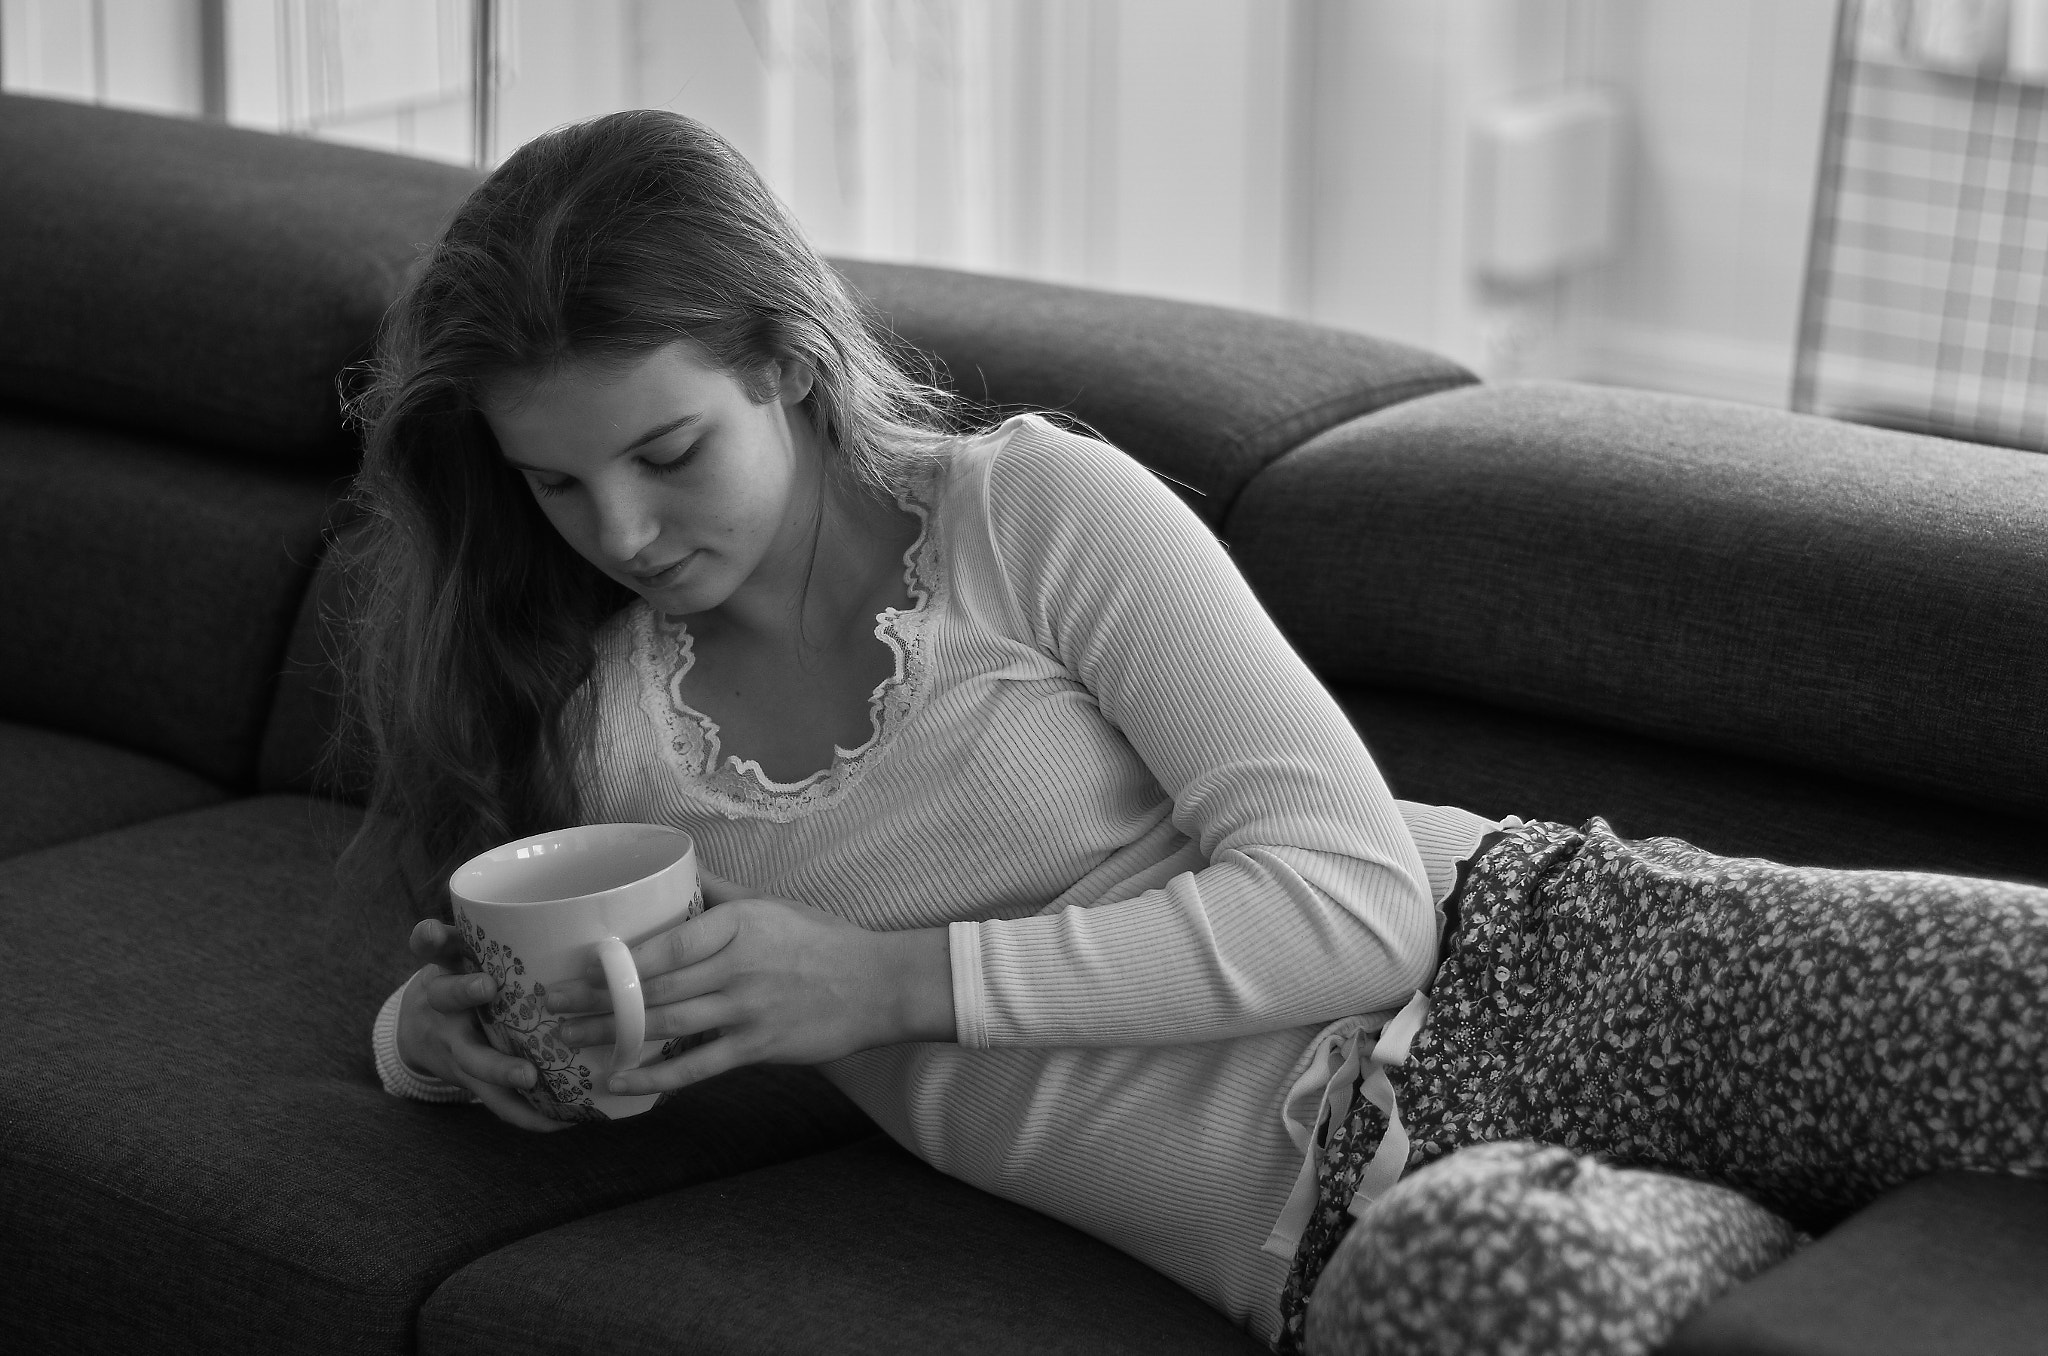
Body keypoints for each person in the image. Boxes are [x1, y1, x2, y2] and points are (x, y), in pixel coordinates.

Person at [350, 109, 2048, 1356]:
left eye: (666, 453)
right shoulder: (606, 740)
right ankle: (1809, 1227)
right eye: (557, 484)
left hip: (1552, 967)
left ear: (789, 366)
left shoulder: (1028, 510)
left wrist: (889, 983)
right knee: (1497, 1301)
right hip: (1352, 1232)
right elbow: (617, 1039)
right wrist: (441, 1045)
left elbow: (1359, 900)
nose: (625, 534)